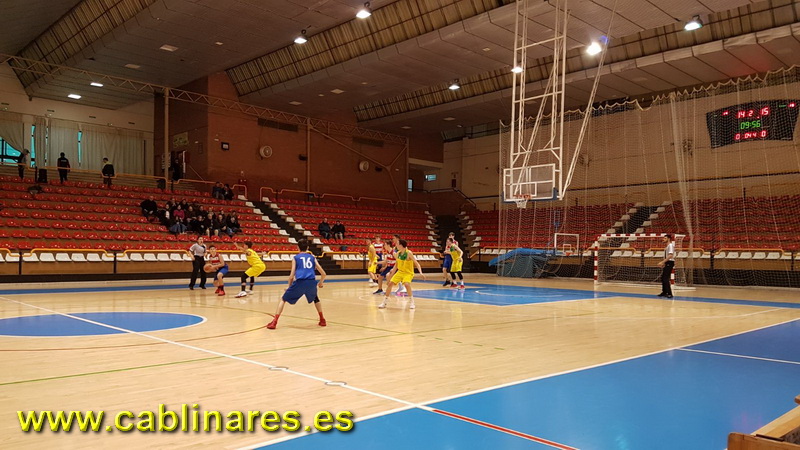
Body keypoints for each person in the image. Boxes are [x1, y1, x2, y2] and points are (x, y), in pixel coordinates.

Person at [266, 238, 327, 330]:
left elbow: (291, 276)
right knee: (316, 298)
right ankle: (322, 319)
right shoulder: (312, 257)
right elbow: (323, 274)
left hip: (300, 282)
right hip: (311, 282)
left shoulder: (295, 258)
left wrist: (289, 287)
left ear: (298, 247)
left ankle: (274, 322)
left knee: (283, 299)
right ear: (308, 248)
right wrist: (320, 283)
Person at [379, 239, 425, 310]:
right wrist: (391, 275)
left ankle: (412, 302)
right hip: (400, 272)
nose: (396, 245)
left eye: (397, 244)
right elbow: (396, 265)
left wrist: (421, 272)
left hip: (408, 273)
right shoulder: (398, 254)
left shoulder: (409, 253)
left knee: (406, 284)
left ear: (401, 245)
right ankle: (384, 302)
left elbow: (416, 263)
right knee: (390, 283)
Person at [657, 234, 675, 299]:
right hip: (667, 262)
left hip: (670, 262)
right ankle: (664, 292)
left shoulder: (670, 245)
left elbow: (670, 255)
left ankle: (669, 293)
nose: (663, 239)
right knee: (663, 277)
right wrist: (664, 263)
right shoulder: (667, 246)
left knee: (665, 278)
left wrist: (662, 262)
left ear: (669, 239)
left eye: (665, 238)